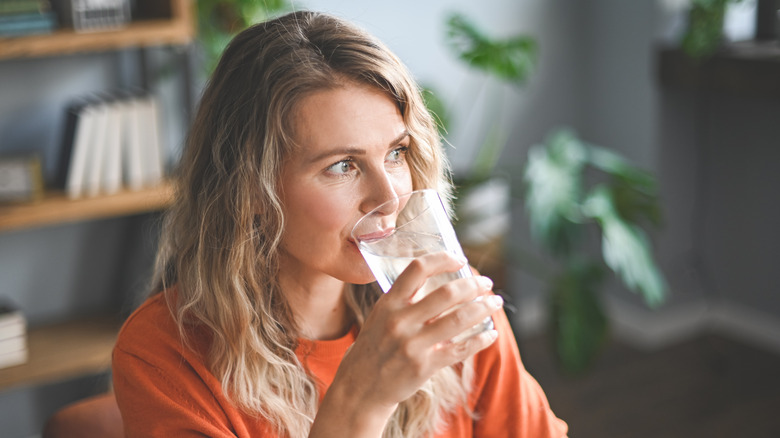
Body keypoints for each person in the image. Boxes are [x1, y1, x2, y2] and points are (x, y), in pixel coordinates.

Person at [112, 10, 568, 438]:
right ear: (249, 189)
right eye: (342, 166)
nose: (390, 197)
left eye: (396, 153)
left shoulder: (447, 305)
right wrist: (360, 401)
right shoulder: (164, 356)